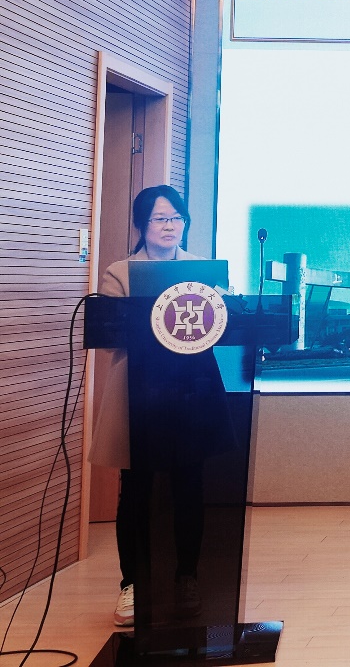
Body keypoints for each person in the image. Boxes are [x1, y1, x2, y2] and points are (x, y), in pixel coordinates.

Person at [90, 185, 207, 627]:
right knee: (136, 491)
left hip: (190, 392)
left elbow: (217, 325)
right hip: (136, 394)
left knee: (189, 486)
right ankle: (132, 585)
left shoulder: (202, 270)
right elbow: (108, 338)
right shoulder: (120, 272)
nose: (169, 225)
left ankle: (186, 578)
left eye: (176, 217)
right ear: (142, 224)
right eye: (160, 218)